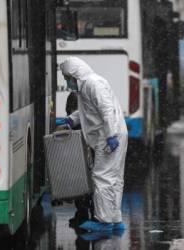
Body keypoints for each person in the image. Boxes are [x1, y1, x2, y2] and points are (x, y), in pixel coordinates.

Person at [60, 57, 128, 231]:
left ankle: (104, 222)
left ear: (75, 74)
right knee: (114, 178)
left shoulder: (93, 84)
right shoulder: (86, 86)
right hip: (110, 134)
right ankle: (115, 219)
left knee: (102, 176)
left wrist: (111, 135)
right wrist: (70, 120)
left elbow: (107, 110)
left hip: (107, 135)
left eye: (67, 77)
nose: (67, 81)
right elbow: (87, 112)